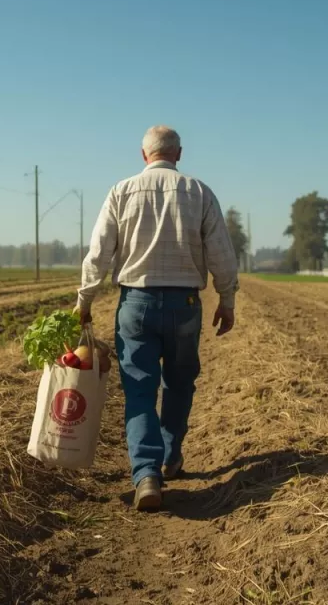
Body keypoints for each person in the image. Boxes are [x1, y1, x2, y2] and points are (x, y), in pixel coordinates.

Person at [77, 125, 240, 511]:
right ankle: (170, 455)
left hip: (136, 304)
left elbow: (99, 250)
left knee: (139, 390)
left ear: (143, 154)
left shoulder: (121, 191)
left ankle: (146, 474)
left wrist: (84, 298)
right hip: (185, 305)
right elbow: (221, 252)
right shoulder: (199, 192)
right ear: (178, 154)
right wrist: (227, 298)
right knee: (180, 382)